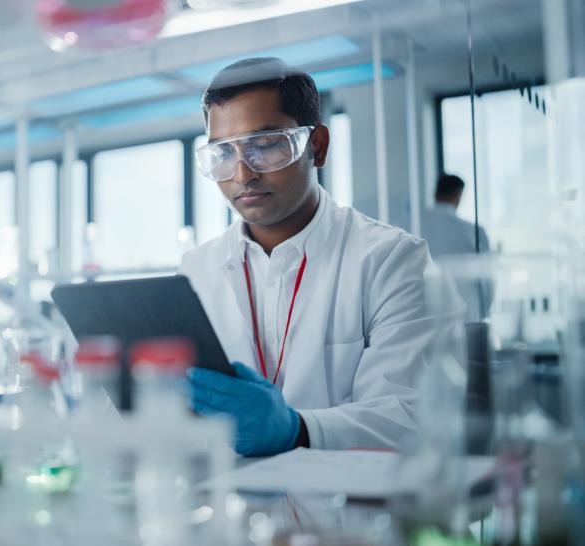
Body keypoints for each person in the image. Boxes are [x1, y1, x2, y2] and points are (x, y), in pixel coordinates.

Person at [182, 58, 442, 456]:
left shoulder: (392, 259)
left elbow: (408, 416)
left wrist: (296, 429)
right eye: (222, 152)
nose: (242, 173)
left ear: (316, 146)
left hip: (347, 509)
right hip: (233, 504)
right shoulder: (196, 270)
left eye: (265, 145)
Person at [419, 174, 492, 321]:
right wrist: (484, 313)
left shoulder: (411, 225)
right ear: (458, 196)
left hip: (421, 315)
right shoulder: (473, 231)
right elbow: (487, 281)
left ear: (436, 194)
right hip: (465, 317)